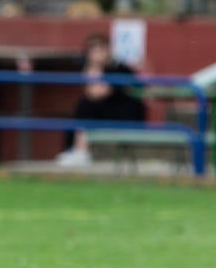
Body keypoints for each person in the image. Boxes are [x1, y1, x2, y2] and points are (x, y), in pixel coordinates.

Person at [55, 32, 147, 167]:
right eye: (93, 51)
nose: (96, 54)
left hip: (126, 113)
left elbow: (98, 93)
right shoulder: (91, 68)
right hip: (105, 110)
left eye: (100, 49)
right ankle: (76, 150)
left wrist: (95, 69)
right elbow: (91, 92)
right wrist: (93, 69)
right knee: (82, 108)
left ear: (108, 50)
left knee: (85, 106)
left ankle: (80, 151)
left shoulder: (119, 69)